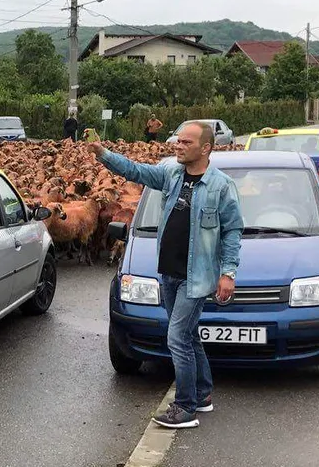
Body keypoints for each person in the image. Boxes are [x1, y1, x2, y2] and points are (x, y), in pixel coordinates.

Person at [89, 121, 243, 429]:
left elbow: (233, 231)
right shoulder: (171, 174)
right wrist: (103, 153)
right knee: (188, 335)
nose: (178, 146)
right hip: (169, 273)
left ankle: (185, 407)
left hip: (195, 276)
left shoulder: (220, 186)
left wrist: (228, 273)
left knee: (177, 338)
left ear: (206, 148)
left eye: (186, 142)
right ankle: (202, 393)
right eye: (178, 141)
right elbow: (136, 171)